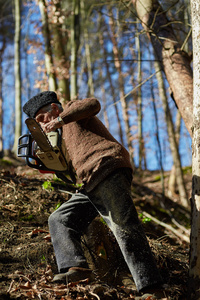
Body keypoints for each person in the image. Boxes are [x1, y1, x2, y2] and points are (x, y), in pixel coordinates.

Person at [23, 91, 164, 296]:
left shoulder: (72, 110)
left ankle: (152, 287)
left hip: (106, 166)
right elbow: (66, 172)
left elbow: (93, 104)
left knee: (123, 225)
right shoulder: (61, 137)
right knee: (60, 219)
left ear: (54, 108)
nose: (43, 125)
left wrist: (59, 121)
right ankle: (76, 268)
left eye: (41, 119)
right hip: (89, 182)